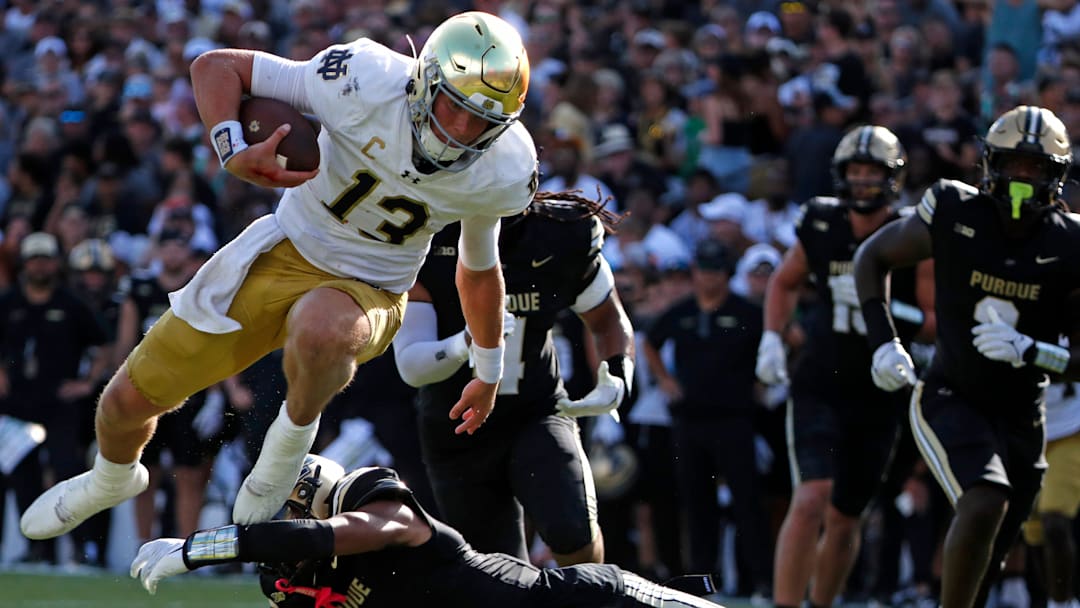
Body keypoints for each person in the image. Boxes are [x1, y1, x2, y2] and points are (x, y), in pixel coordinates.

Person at [20, 11, 538, 540]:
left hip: (374, 287)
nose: (462, 132)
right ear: (425, 80)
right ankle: (111, 478)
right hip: (286, 246)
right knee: (123, 404)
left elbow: (479, 266)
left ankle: (290, 441)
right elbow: (217, 67)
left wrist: (490, 367)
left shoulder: (506, 167)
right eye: (455, 108)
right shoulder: (363, 77)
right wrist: (233, 150)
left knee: (321, 326)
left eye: (482, 121)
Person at [853, 105, 1080, 608]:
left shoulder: (1071, 243)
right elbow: (872, 256)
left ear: (1056, 176)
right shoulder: (954, 208)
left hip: (1024, 416)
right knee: (985, 500)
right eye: (1013, 164)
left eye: (1036, 168)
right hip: (951, 394)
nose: (1022, 178)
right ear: (989, 164)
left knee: (991, 553)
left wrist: (1035, 351)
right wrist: (883, 340)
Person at [130, 454, 726, 608]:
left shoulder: (379, 509)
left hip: (589, 602)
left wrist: (202, 547)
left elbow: (326, 539)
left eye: (287, 510)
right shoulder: (289, 585)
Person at [392, 190, 635, 565]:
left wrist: (618, 373)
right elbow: (411, 365)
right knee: (495, 570)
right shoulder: (427, 235)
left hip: (535, 410)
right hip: (457, 426)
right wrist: (464, 344)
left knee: (573, 532)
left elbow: (606, 318)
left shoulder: (559, 232)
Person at [757, 125, 935, 608]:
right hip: (821, 380)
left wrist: (888, 318)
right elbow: (784, 281)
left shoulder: (912, 234)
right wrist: (773, 336)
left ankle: (822, 604)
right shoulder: (821, 222)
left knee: (845, 517)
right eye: (854, 171)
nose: (861, 181)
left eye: (870, 172)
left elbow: (937, 320)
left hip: (880, 391)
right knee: (811, 495)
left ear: (891, 177)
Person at [642, 237, 772, 596]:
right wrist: (666, 381)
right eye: (702, 269)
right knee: (697, 504)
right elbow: (650, 341)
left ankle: (760, 581)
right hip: (689, 420)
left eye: (715, 270)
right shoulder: (681, 311)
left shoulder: (746, 311)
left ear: (727, 275)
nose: (708, 277)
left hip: (735, 419)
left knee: (747, 502)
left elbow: (778, 340)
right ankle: (701, 585)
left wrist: (763, 380)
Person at [1022, 378, 1080, 608]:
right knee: (1033, 533)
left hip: (1071, 427)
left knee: (1055, 522)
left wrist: (1035, 355)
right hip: (1026, 431)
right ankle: (1053, 598)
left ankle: (1062, 603)